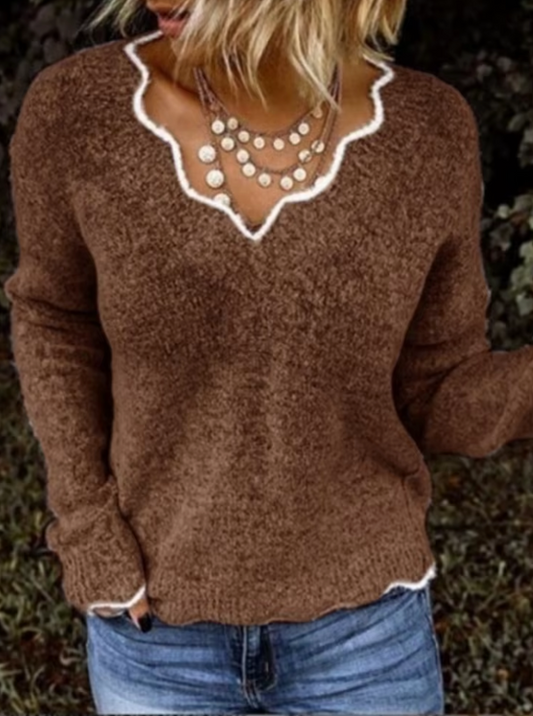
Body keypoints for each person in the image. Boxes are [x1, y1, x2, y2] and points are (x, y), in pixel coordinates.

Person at [5, 0, 533, 713]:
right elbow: (55, 319)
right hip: (160, 646)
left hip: (364, 645)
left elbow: (436, 389)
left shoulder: (427, 133)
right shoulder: (78, 112)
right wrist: (88, 530)